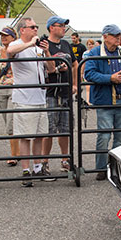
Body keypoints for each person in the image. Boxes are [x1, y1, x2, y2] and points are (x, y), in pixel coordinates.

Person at [84, 24, 121, 180]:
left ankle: (115, 168)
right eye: (115, 35)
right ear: (105, 36)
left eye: (119, 35)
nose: (118, 38)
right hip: (105, 101)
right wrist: (110, 78)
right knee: (104, 136)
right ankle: (101, 168)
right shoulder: (94, 53)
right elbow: (89, 74)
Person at [6, 18, 57, 186]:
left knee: (39, 135)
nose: (36, 30)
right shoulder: (18, 45)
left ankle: (37, 167)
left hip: (40, 97)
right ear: (23, 30)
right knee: (26, 136)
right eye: (32, 27)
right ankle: (26, 170)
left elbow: (51, 69)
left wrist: (47, 52)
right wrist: (29, 44)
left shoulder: (38, 49)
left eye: (36, 27)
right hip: (24, 99)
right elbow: (9, 51)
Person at [41, 15, 76, 172]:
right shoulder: (43, 45)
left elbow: (75, 64)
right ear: (51, 28)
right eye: (60, 25)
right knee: (49, 129)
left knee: (65, 128)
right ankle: (44, 162)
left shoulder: (66, 44)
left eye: (64, 26)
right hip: (50, 92)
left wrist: (75, 83)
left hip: (66, 92)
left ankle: (65, 159)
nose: (63, 28)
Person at [0, 26, 20, 167]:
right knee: (7, 121)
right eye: (1, 35)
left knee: (11, 124)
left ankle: (14, 155)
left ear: (13, 37)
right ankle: (17, 151)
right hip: (2, 88)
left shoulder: (17, 50)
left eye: (6, 35)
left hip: (14, 86)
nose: (3, 38)